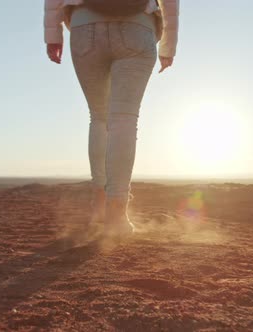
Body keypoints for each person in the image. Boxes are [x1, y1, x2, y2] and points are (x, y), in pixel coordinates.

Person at [44, 0, 179, 237]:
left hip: (84, 25)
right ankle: (116, 214)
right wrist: (168, 45)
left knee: (99, 117)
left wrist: (52, 34)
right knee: (124, 119)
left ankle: (99, 205)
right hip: (138, 26)